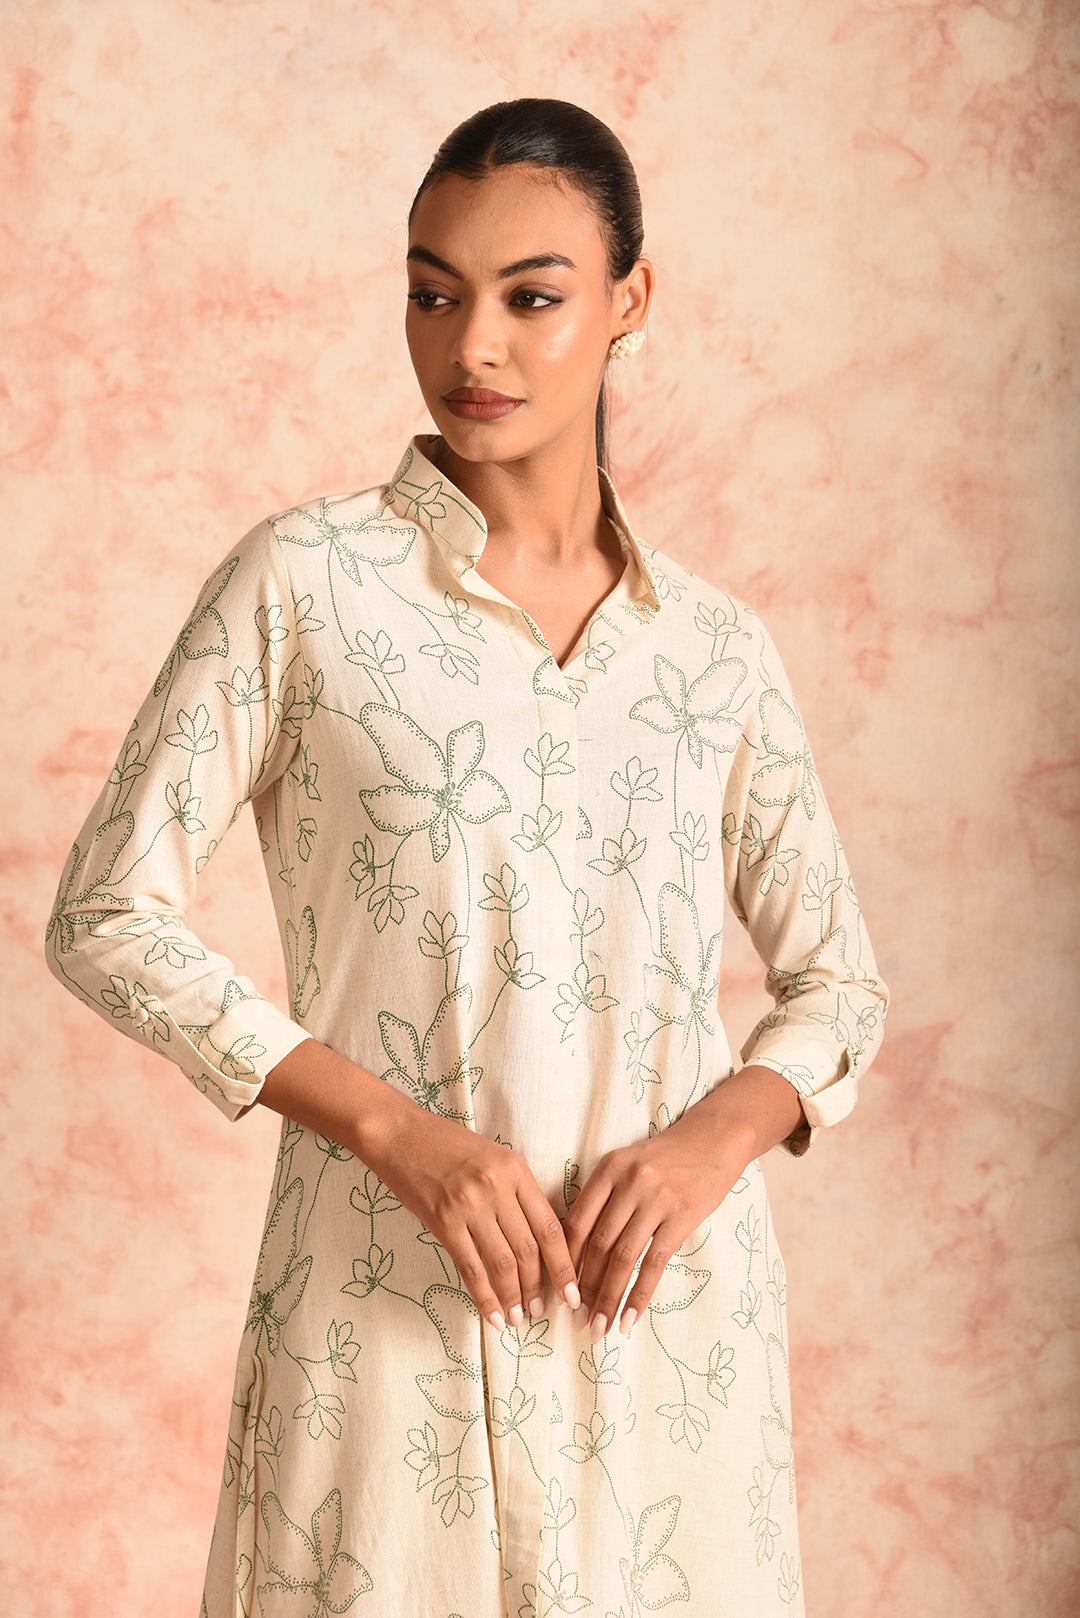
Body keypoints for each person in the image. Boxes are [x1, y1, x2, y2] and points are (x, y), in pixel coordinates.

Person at [46, 98, 887, 1618]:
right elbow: (106, 911)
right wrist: (391, 1130)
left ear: (629, 301)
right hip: (384, 1326)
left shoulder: (713, 653)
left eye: (531, 296)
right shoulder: (305, 587)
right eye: (434, 294)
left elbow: (840, 986)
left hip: (663, 1345)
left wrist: (711, 1143)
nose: (473, 346)